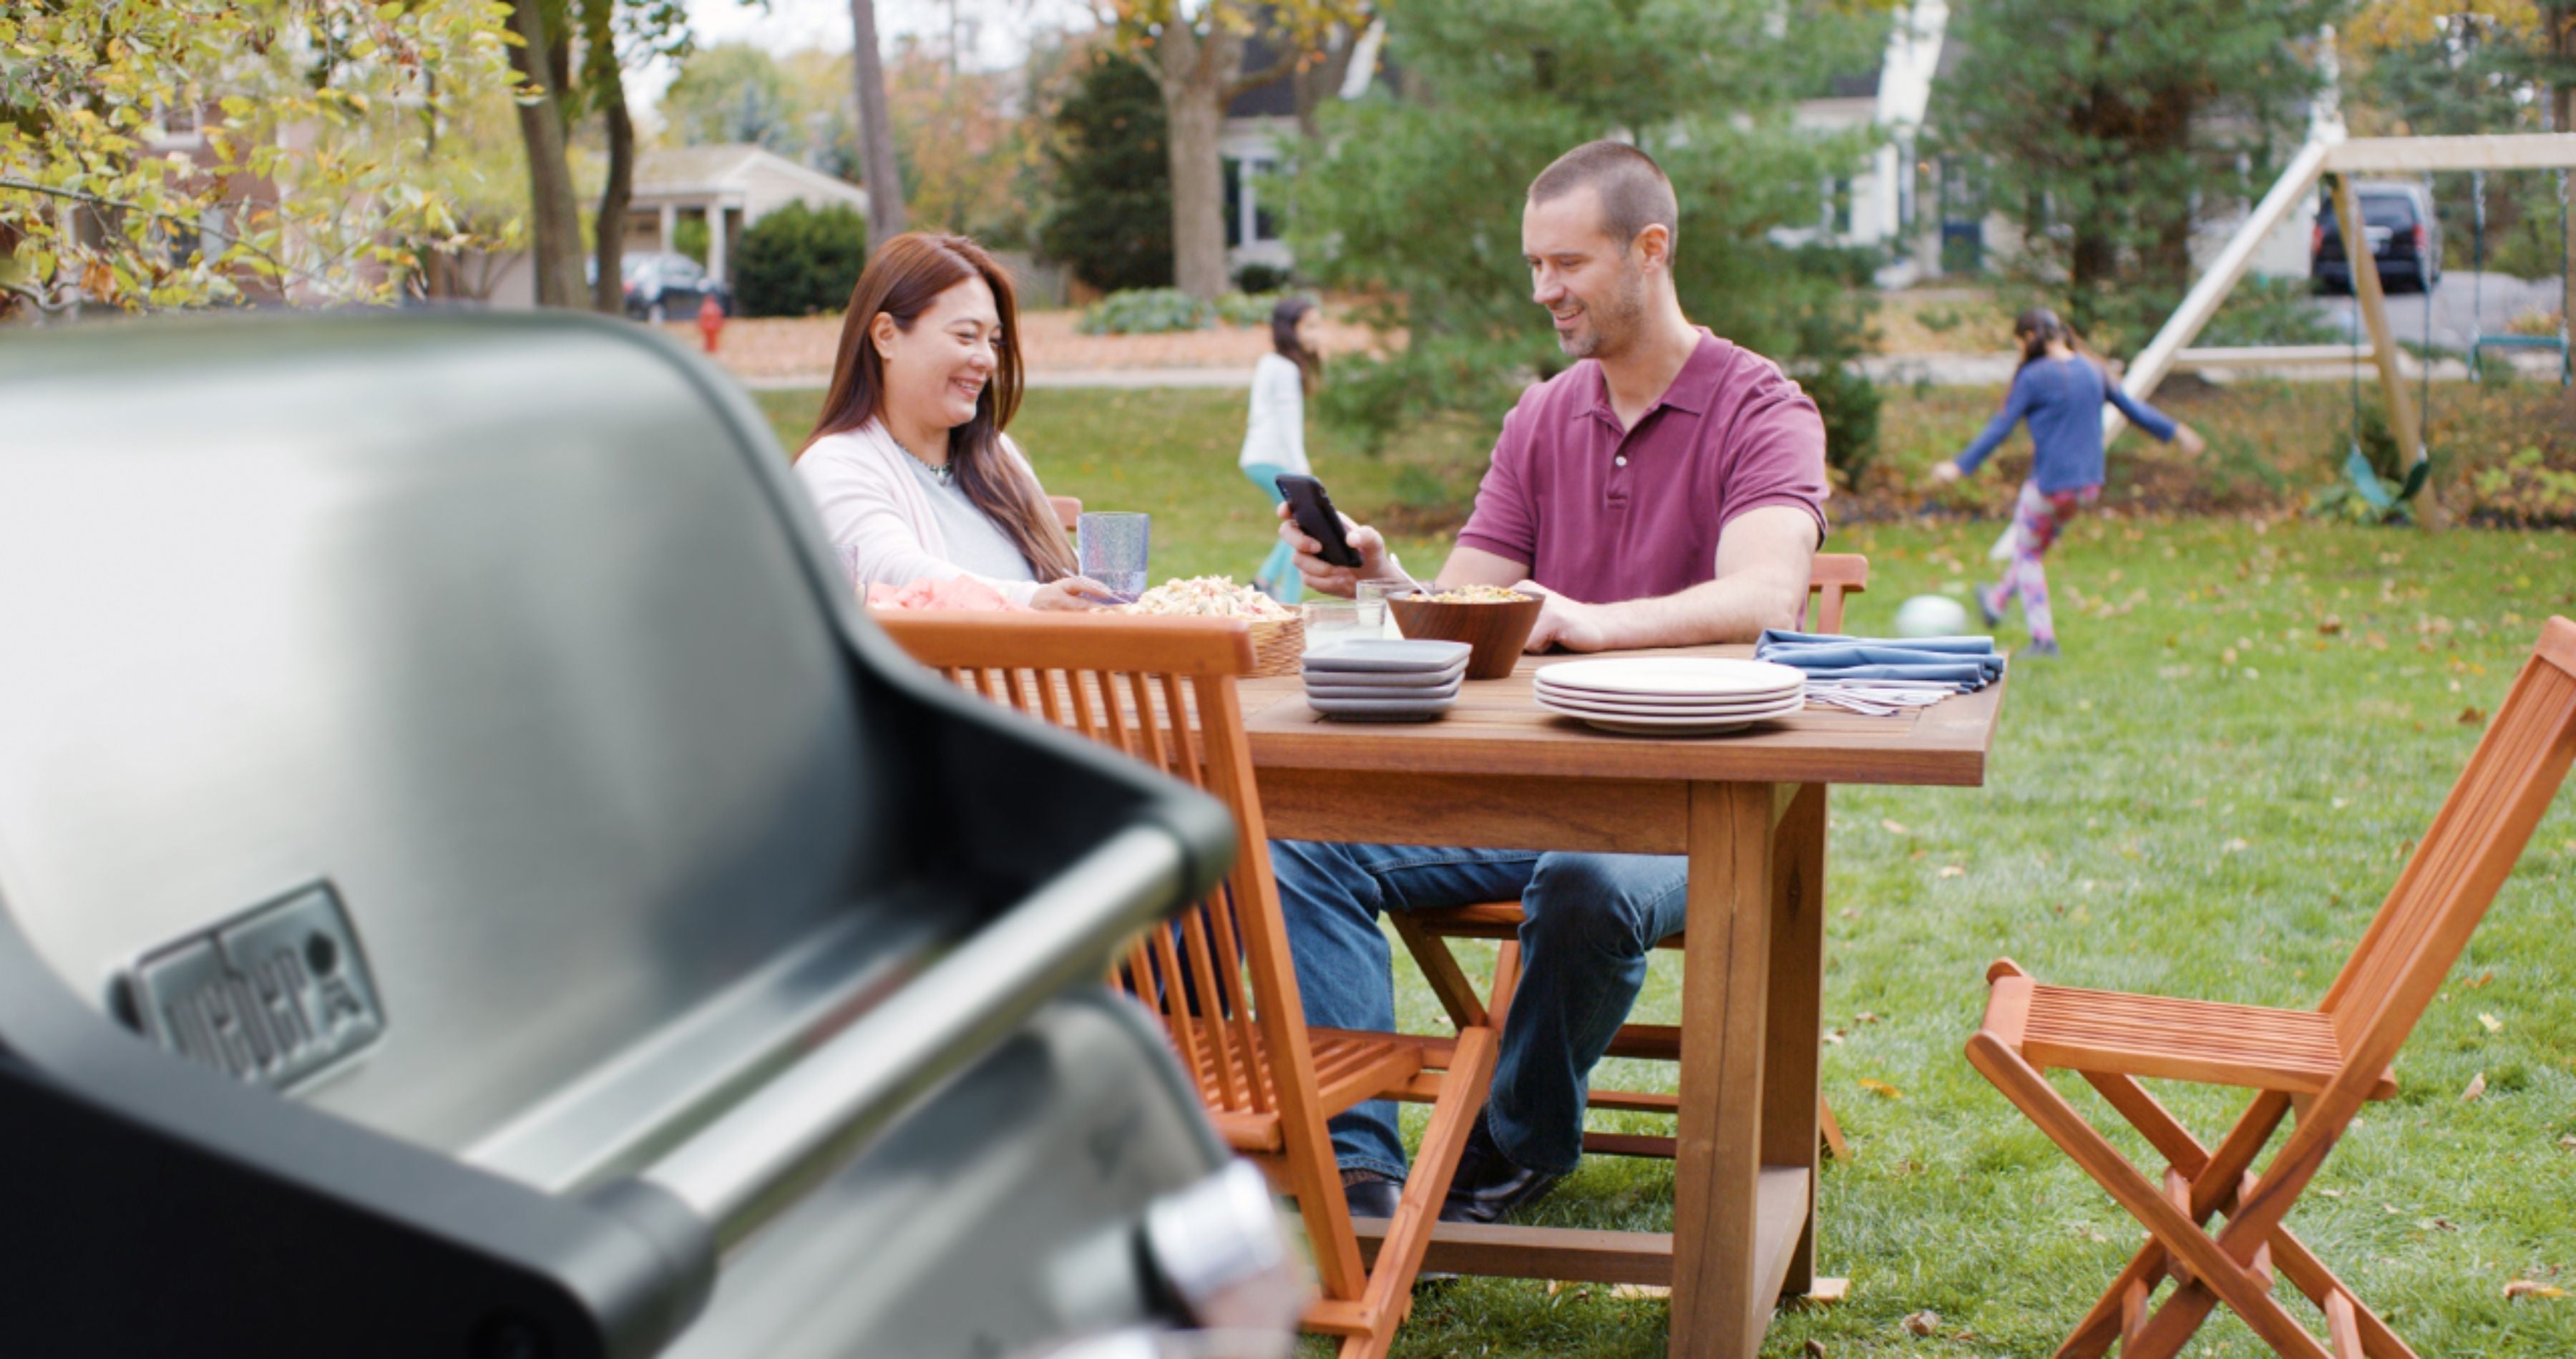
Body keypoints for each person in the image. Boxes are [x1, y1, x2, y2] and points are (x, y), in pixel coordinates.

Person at [1267, 141, 1828, 1224]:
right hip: (1523, 789)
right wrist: (1385, 579)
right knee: (1298, 842)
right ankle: (1361, 1177)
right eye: (1534, 264)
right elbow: (1472, 614)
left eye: (1567, 263)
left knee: (1585, 882)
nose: (1543, 290)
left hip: (1691, 805)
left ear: (1650, 250)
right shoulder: (1540, 417)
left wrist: (1591, 624)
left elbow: (1767, 595)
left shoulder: (1764, 407)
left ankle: (1513, 1138)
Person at [796, 231, 1115, 610]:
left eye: (994, 341)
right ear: (886, 336)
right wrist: (1032, 600)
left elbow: (1069, 577)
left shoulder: (998, 455)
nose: (988, 360)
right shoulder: (834, 466)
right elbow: (895, 574)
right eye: (966, 336)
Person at [1928, 308, 2203, 657]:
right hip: (2087, 487)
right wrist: (2177, 431)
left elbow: (1999, 428)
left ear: (2030, 338)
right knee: (2033, 546)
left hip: (2050, 486)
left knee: (2027, 553)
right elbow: (2134, 410)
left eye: (2019, 344)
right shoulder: (2093, 369)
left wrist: (1959, 466)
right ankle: (1996, 601)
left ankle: (2043, 640)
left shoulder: (2033, 377)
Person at [1240, 295, 1324, 603]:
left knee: (1299, 527)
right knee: (1302, 529)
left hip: (1256, 457)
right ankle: (1279, 594)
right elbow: (1289, 420)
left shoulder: (1269, 362)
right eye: (1310, 327)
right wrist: (1301, 467)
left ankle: (1272, 587)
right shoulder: (1286, 368)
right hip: (1274, 459)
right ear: (1290, 329)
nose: (1317, 335)